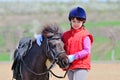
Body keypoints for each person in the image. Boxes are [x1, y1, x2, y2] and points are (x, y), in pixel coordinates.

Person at [61, 6, 94, 80]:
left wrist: (74, 56)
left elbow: (87, 50)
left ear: (83, 22)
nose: (76, 24)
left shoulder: (85, 35)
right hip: (70, 65)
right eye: (74, 21)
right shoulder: (65, 35)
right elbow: (55, 39)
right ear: (71, 21)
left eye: (78, 22)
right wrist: (43, 36)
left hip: (81, 65)